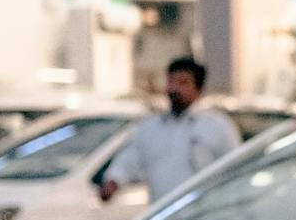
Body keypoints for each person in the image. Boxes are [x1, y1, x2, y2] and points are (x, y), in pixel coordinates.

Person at [99, 57, 241, 205]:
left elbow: (235, 167)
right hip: (163, 215)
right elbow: (129, 159)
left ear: (198, 89)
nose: (174, 89)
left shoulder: (217, 126)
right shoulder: (151, 127)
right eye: (171, 81)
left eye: (183, 83)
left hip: (205, 214)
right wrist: (113, 182)